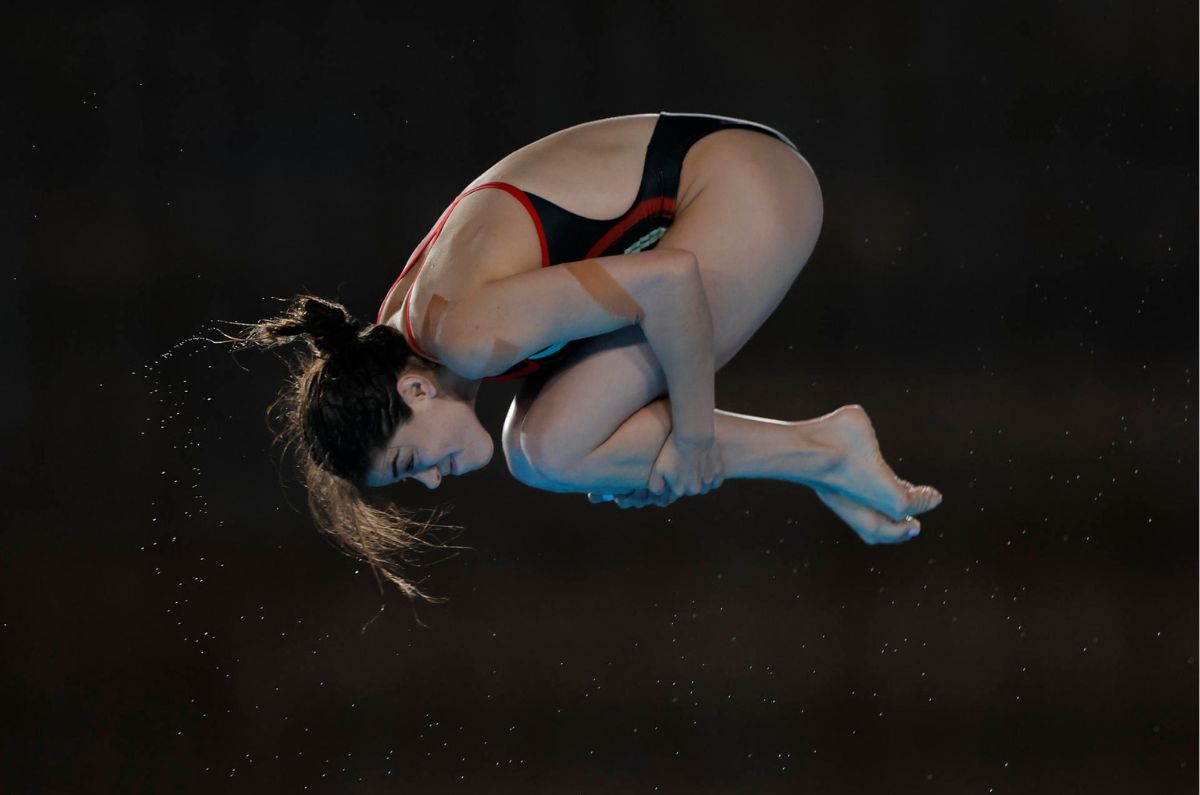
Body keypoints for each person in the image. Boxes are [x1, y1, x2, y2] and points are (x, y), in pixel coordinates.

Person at [234, 111, 943, 599]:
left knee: (551, 450)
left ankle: (825, 451)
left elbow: (670, 284)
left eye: (410, 462)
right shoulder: (406, 329)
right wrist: (626, 448)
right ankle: (825, 451)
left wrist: (691, 439)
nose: (432, 481)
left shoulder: (466, 337)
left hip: (752, 188)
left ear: (415, 393)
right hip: (716, 183)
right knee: (546, 445)